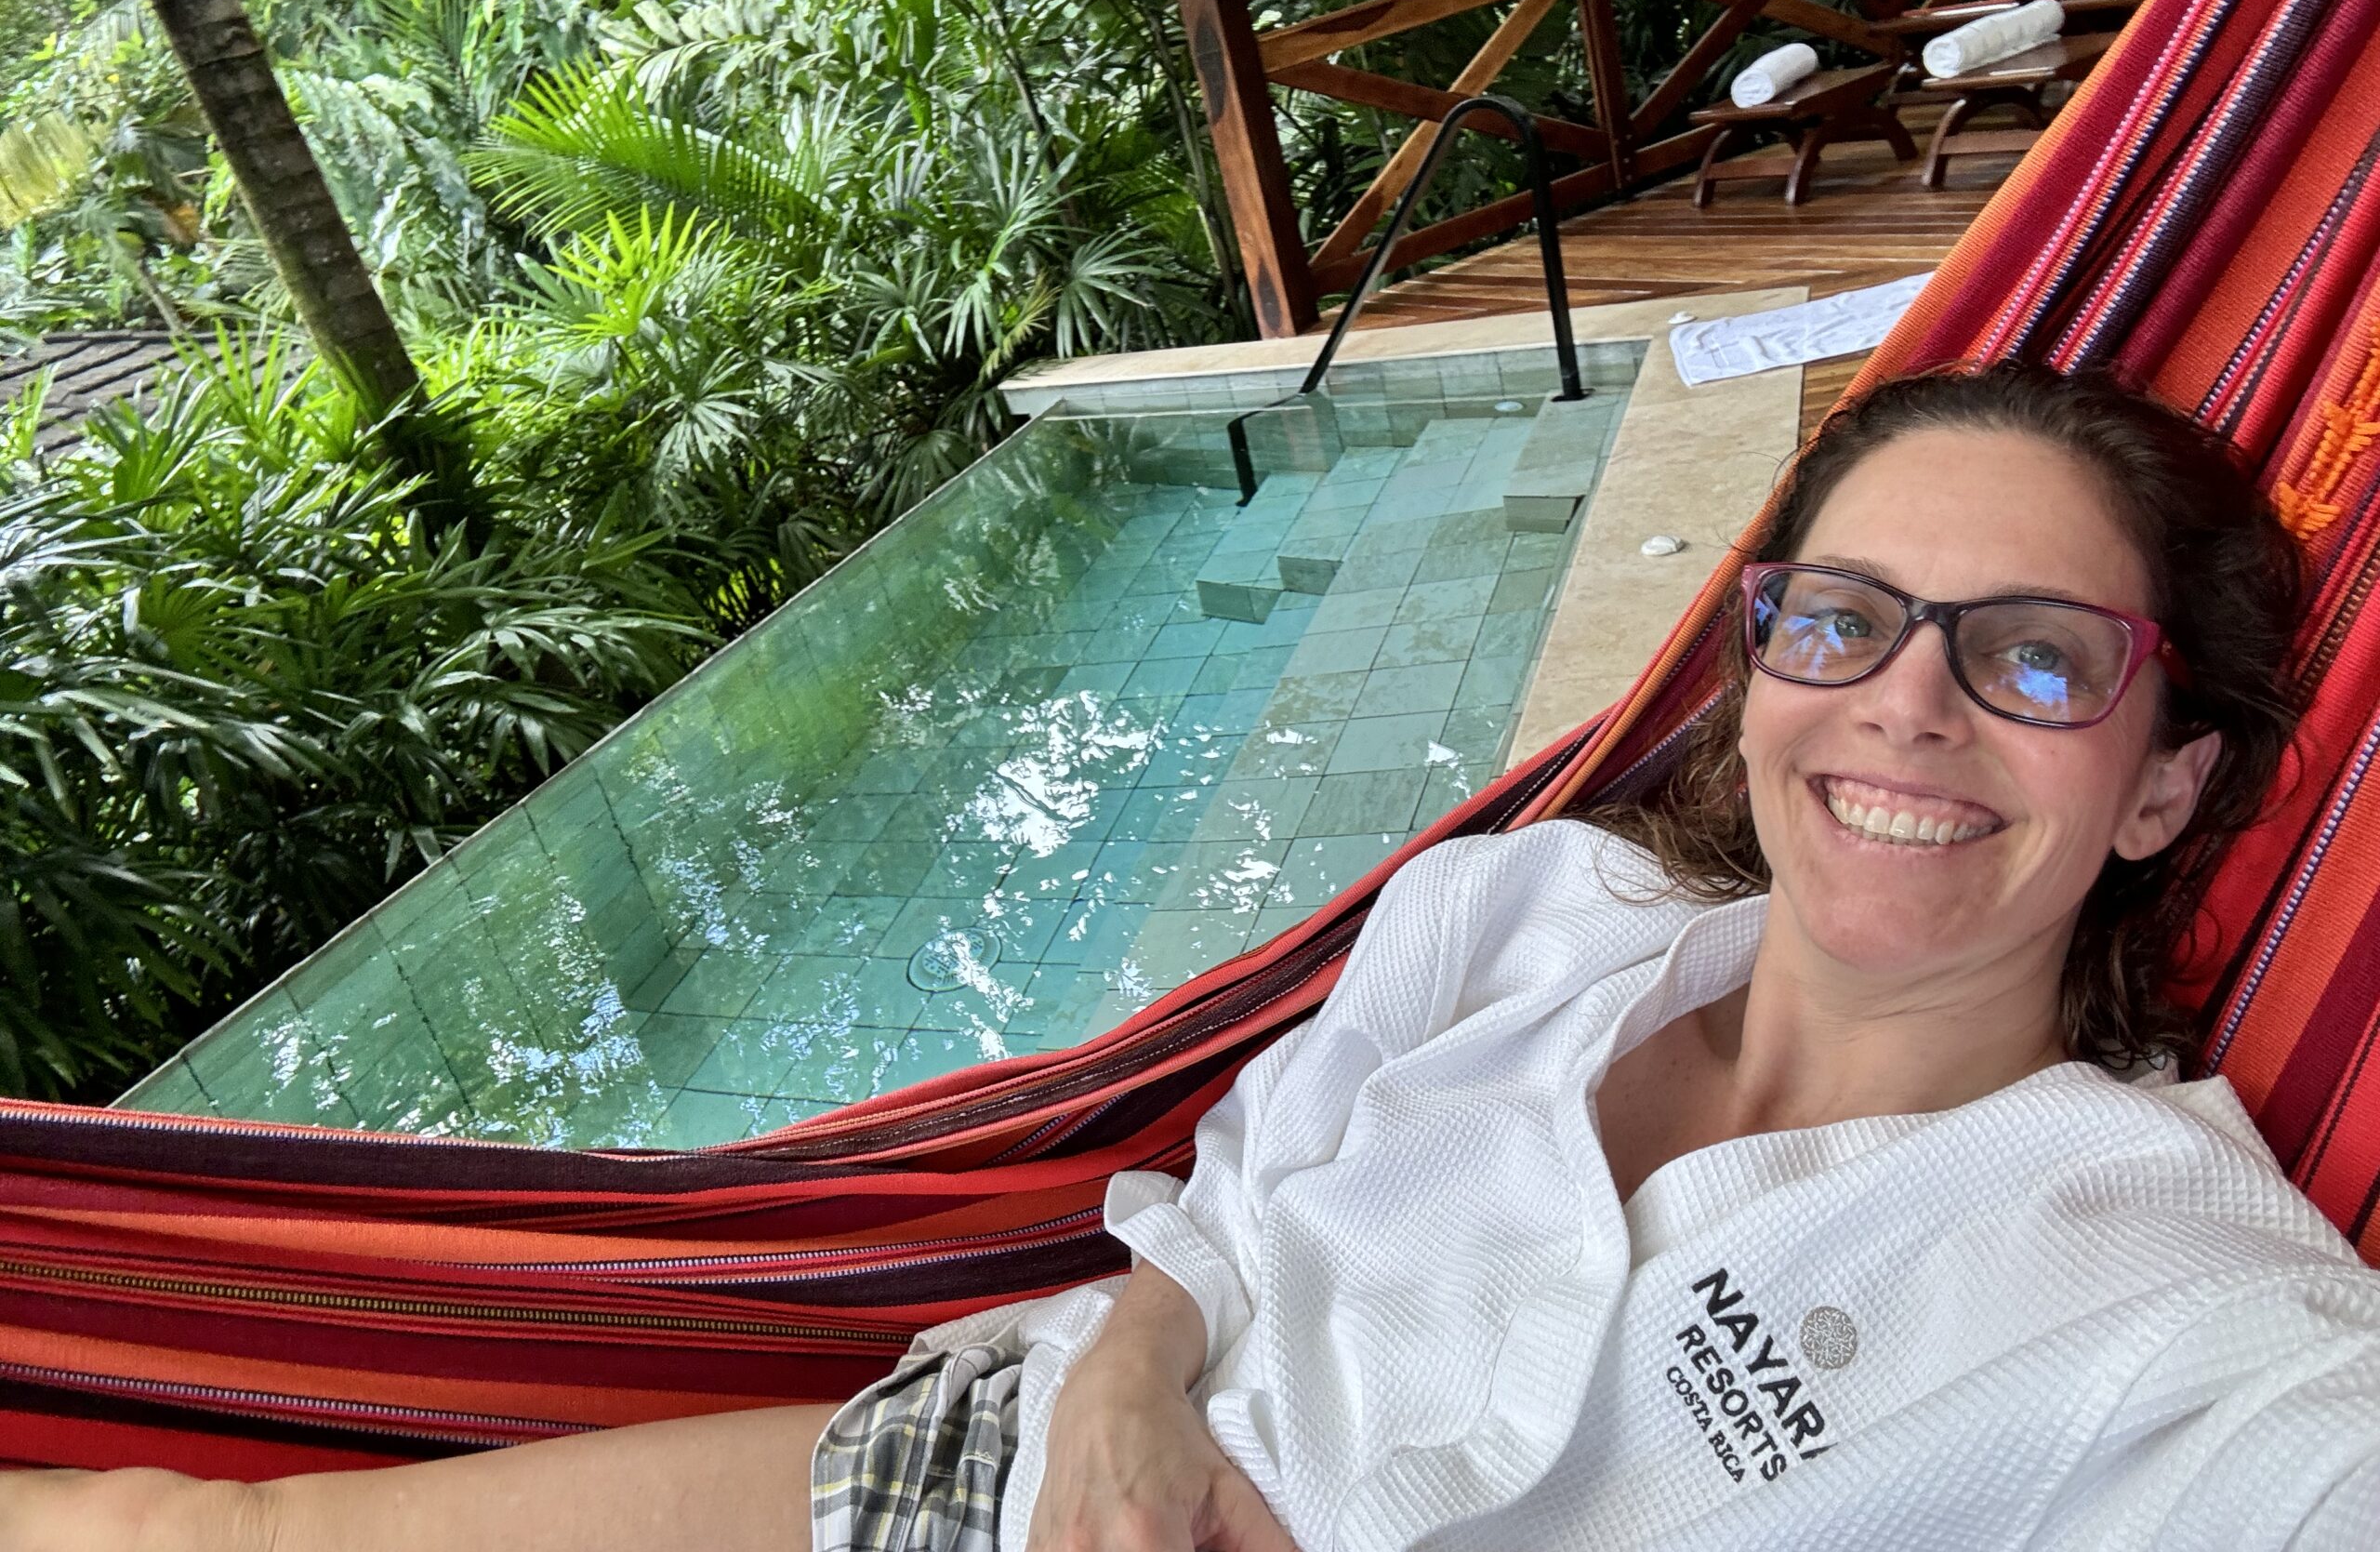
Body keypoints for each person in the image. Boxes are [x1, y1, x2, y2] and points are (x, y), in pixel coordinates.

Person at [17, 361, 2380, 1552]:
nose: (1901, 704)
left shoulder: (2176, 1306)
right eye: (1840, 619)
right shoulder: (1540, 913)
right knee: (188, 1533)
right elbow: (1244, 1183)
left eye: (2037, 661)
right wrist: (1141, 1373)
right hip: (1005, 1466)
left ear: (2165, 784)